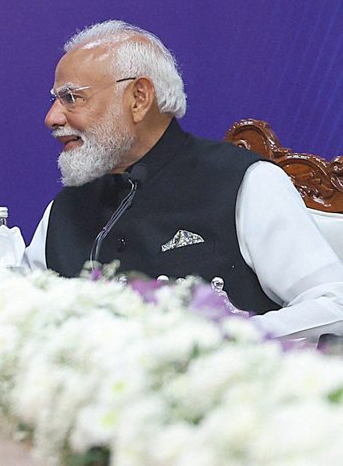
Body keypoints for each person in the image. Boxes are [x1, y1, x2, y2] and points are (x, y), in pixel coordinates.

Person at [23, 20, 343, 341]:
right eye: (56, 99)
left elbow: (333, 302)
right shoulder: (65, 208)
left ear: (138, 98)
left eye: (71, 97)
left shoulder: (244, 182)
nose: (52, 118)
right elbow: (22, 312)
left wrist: (225, 339)